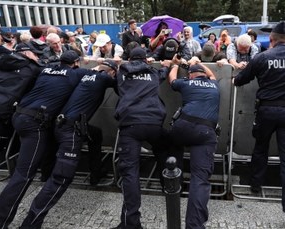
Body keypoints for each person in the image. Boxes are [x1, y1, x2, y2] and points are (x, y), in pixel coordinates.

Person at [20, 60, 117, 227]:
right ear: (112, 73)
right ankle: (30, 223)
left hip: (59, 124)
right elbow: (122, 85)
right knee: (61, 179)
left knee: (95, 134)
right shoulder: (104, 78)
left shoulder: (84, 75)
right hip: (71, 129)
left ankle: (94, 174)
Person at [0, 50, 90, 227]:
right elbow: (99, 74)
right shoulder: (76, 73)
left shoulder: (46, 69)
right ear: (76, 63)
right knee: (23, 175)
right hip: (35, 123)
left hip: (19, 117)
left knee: (25, 168)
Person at [233, 21, 285, 229]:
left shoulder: (263, 57)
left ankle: (256, 184)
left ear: (271, 40)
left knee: (261, 147)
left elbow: (242, 79)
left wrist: (235, 81)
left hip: (266, 110)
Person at [112, 47, 171, 229]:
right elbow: (165, 70)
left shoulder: (121, 72)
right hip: (154, 123)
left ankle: (131, 223)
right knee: (164, 153)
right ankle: (168, 185)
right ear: (146, 60)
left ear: (129, 59)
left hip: (130, 125)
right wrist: (167, 64)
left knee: (130, 174)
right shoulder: (153, 73)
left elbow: (116, 76)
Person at [168, 61, 220, 229]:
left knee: (172, 149)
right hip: (205, 132)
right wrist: (198, 62)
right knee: (200, 178)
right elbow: (212, 74)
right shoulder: (213, 84)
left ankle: (173, 181)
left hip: (182, 128)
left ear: (190, 75)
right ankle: (194, 225)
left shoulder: (186, 83)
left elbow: (172, 80)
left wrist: (175, 65)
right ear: (204, 75)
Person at [0, 43, 44, 158]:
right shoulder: (32, 67)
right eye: (36, 54)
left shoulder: (2, 62)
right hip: (7, 111)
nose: (38, 57)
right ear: (27, 53)